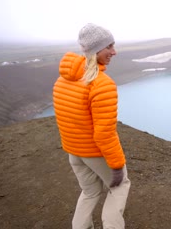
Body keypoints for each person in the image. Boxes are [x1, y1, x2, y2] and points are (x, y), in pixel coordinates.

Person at [53, 23, 130, 229]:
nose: (114, 52)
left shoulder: (62, 80)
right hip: (94, 153)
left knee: (90, 192)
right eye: (109, 47)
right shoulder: (102, 84)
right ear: (96, 50)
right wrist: (116, 166)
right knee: (120, 186)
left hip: (74, 153)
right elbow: (105, 134)